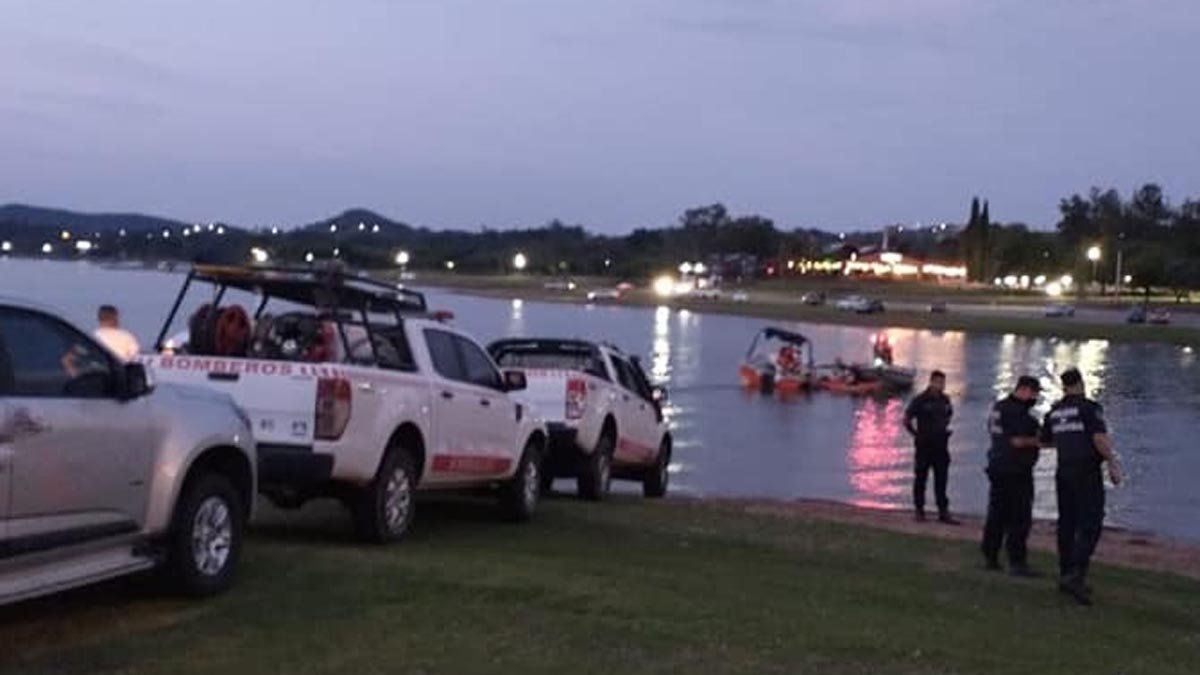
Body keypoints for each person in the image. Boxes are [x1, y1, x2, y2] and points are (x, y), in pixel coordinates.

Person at [1041, 368, 1123, 605]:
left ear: (1063, 386)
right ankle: (1076, 574)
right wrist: (1112, 463)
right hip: (1086, 472)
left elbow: (1045, 440)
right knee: (1091, 523)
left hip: (1064, 470)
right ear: (1080, 383)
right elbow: (1099, 438)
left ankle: (1066, 572)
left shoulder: (1054, 411)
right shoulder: (1089, 408)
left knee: (1067, 523)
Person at [981, 375, 1043, 577]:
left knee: (996, 514)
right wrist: (1039, 440)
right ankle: (1017, 562)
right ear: (1024, 390)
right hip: (1015, 470)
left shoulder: (999, 408)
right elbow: (1018, 441)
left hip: (997, 466)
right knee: (1019, 517)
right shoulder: (1018, 414)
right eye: (1034, 394)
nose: (1035, 398)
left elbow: (993, 432)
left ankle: (990, 556)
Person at [904, 370, 957, 524]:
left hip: (941, 445)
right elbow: (907, 419)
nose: (941, 385)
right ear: (931, 382)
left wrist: (944, 429)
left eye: (943, 383)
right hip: (924, 445)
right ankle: (919, 511)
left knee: (942, 479)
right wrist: (916, 435)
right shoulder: (920, 400)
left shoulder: (945, 400)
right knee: (921, 478)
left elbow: (948, 415)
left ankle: (943, 512)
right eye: (938, 382)